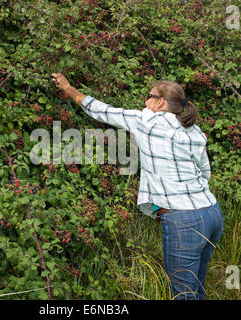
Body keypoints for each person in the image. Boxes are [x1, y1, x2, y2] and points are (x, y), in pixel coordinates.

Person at [50, 73, 224, 300]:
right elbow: (205, 173)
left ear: (160, 102)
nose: (145, 101)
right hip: (211, 213)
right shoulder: (194, 130)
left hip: (184, 220)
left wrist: (68, 88)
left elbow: (100, 109)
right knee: (197, 289)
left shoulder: (147, 121)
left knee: (184, 295)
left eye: (149, 96)